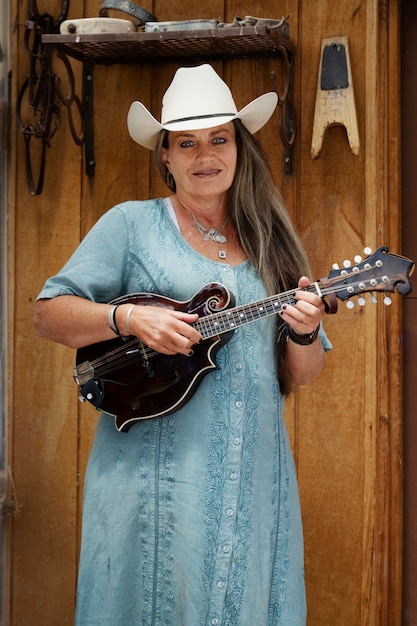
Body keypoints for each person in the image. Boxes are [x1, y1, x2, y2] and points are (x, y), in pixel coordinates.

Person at [34, 64, 331, 626]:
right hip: (154, 479)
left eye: (219, 138)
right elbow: (49, 316)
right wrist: (127, 319)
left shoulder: (271, 239)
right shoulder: (131, 225)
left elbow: (304, 372)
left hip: (253, 474)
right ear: (165, 156)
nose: (205, 155)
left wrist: (307, 328)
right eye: (186, 143)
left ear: (239, 147)